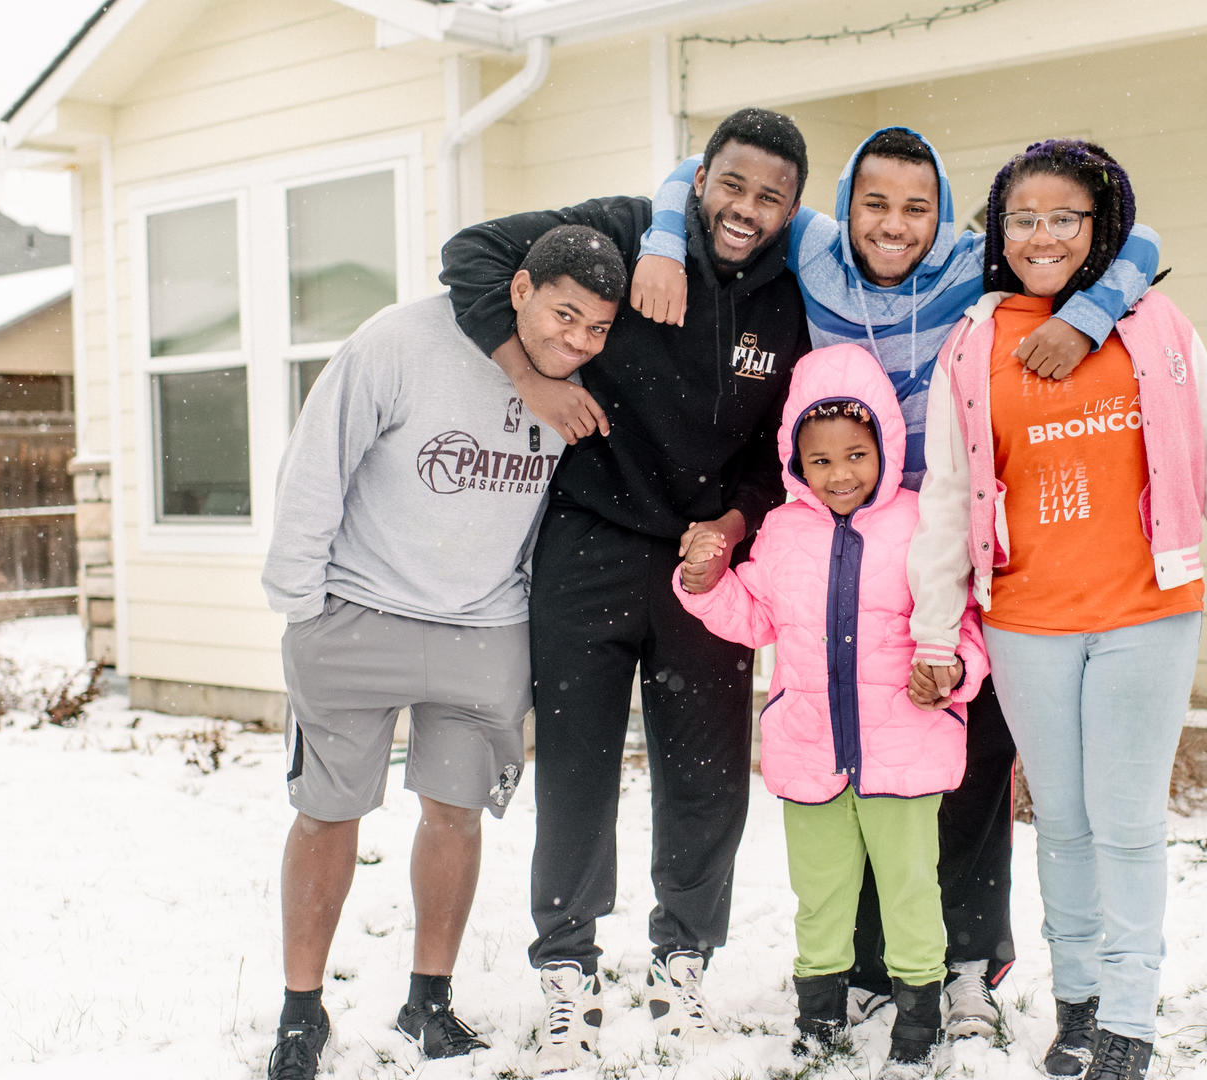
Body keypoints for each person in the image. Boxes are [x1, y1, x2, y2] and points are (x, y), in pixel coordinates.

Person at [631, 125, 1163, 1041]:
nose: (894, 224)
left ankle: (966, 966)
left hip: (954, 534)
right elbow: (693, 172)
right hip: (844, 527)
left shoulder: (974, 258)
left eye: (917, 207)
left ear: (944, 217)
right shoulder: (812, 245)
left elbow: (1136, 241)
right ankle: (876, 967)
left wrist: (1086, 315)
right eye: (874, 203)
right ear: (842, 210)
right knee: (863, 763)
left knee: (965, 763)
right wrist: (661, 241)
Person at [438, 107, 811, 1073]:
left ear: (794, 209)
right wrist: (530, 379)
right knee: (575, 766)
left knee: (708, 774)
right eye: (731, 184)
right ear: (697, 179)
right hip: (590, 543)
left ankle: (683, 963)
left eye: (771, 195)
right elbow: (472, 255)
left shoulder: (795, 297)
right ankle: (567, 972)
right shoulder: (620, 229)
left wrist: (731, 530)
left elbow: (781, 458)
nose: (746, 209)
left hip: (705, 564)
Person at [907, 140, 1207, 1080]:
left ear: (1099, 225)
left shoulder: (1157, 329)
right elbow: (950, 497)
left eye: (1064, 217)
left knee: (1125, 819)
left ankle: (1128, 1014)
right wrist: (932, 626)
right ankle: (1075, 997)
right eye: (1023, 217)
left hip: (1147, 609)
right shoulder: (974, 341)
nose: (1042, 235)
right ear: (1000, 230)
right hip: (1025, 617)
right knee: (1064, 819)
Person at [256, 225, 626, 1080]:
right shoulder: (398, 342)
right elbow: (315, 467)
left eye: (596, 330)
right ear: (521, 289)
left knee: (455, 813)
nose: (576, 342)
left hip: (483, 628)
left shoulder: (581, 381)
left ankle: (429, 999)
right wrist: (302, 607)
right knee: (328, 812)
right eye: (564, 316)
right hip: (358, 613)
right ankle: (300, 1010)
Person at [673, 342, 989, 1080]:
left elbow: (965, 625)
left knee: (911, 888)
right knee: (819, 893)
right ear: (794, 460)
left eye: (856, 454)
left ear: (886, 444)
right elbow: (753, 618)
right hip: (809, 747)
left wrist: (949, 671)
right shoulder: (783, 532)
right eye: (820, 461)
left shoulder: (919, 526)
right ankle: (818, 1011)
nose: (840, 474)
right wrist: (703, 582)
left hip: (904, 748)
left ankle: (918, 1017)